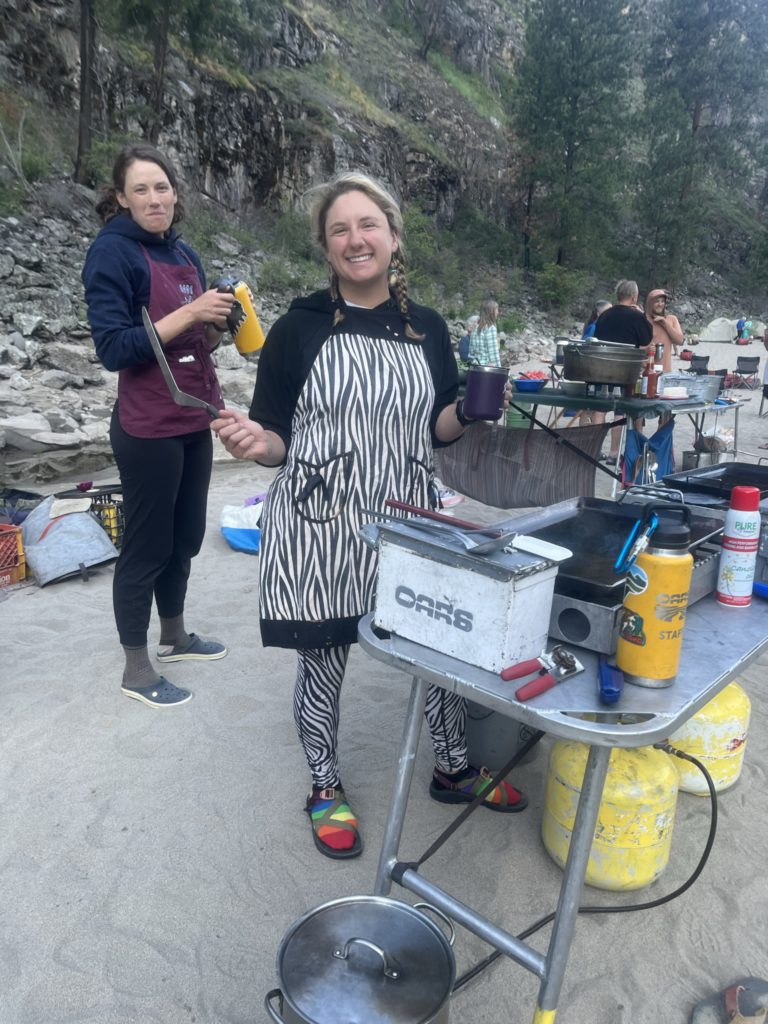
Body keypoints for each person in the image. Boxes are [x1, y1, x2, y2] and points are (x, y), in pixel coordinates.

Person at [213, 171, 526, 860]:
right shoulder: (298, 329)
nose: (356, 239)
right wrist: (251, 441)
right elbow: (274, 440)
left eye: (367, 225)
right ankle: (324, 786)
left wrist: (472, 410)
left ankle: (452, 768)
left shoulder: (429, 329)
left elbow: (439, 428)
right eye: (340, 230)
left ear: (392, 237)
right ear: (326, 249)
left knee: (438, 650)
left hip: (408, 517)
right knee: (324, 657)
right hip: (320, 523)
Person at [83, 143, 235, 709]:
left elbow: (198, 343)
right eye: (141, 189)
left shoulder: (185, 255)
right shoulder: (111, 255)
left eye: (163, 187)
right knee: (145, 546)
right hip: (147, 425)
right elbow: (114, 349)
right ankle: (136, 666)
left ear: (176, 193)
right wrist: (192, 312)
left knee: (185, 537)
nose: (155, 198)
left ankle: (174, 635)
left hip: (193, 416)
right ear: (121, 198)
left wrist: (217, 322)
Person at [594, 280, 653, 349]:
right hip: (627, 358)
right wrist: (643, 314)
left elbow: (597, 338)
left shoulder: (604, 315)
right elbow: (646, 340)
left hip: (605, 357)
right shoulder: (637, 316)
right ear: (633, 297)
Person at [644, 289, 683, 373]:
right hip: (647, 371)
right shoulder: (643, 320)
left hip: (665, 372)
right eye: (656, 301)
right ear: (650, 304)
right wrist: (647, 349)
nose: (660, 304)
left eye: (662, 301)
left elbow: (680, 341)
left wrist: (665, 324)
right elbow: (634, 348)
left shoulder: (671, 319)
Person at [468, 298, 501, 366]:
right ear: (491, 312)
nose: (498, 312)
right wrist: (500, 370)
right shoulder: (490, 328)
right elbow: (493, 354)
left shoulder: (475, 328)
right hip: (487, 369)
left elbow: (471, 351)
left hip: (475, 366)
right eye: (496, 310)